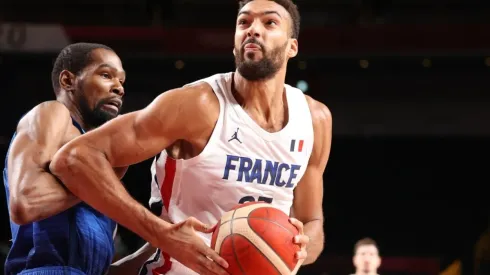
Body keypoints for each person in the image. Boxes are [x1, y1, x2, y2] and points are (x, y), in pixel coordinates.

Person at [50, 0, 331, 274]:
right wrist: (163, 235)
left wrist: (298, 247)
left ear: (292, 46)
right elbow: (74, 158)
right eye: (243, 22)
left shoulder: (315, 119)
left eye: (269, 22)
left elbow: (312, 222)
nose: (253, 29)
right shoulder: (196, 106)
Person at [2, 42, 155, 275]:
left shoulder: (97, 167)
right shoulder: (53, 113)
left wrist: (160, 246)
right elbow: (25, 202)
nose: (119, 88)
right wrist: (100, 182)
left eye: (121, 81)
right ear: (68, 81)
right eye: (106, 75)